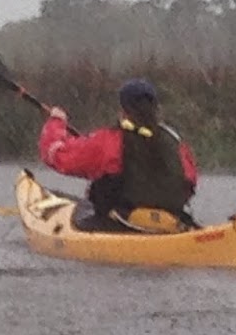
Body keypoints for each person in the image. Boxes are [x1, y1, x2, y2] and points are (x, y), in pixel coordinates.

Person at [38, 77, 198, 231]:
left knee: (85, 205)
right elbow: (189, 181)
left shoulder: (109, 141)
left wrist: (57, 122)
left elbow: (58, 155)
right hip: (170, 222)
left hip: (118, 225)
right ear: (156, 109)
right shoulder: (176, 143)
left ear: (122, 110)